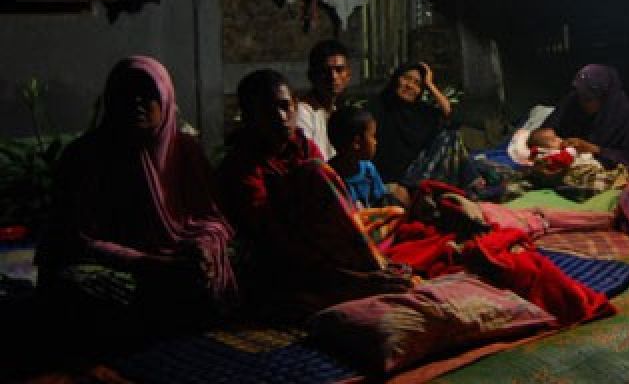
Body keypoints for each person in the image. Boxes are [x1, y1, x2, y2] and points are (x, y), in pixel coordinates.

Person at [36, 56, 237, 333]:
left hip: (176, 256)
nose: (137, 103)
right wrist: (152, 265)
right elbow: (78, 238)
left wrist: (203, 247)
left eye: (148, 94)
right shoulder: (85, 157)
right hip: (115, 264)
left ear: (165, 99)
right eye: (125, 94)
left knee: (235, 263)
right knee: (78, 286)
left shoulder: (185, 151)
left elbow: (212, 218)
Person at [218, 69, 410, 316]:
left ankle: (362, 270)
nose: (281, 116)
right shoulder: (242, 164)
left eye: (286, 106)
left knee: (394, 213)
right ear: (249, 117)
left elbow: (337, 205)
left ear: (295, 106)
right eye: (268, 110)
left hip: (324, 238)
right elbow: (268, 231)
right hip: (288, 251)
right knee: (315, 171)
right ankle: (364, 273)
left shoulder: (303, 146)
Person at [371, 61, 483, 197]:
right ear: (396, 79)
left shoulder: (422, 112)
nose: (410, 86)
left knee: (450, 136)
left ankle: (468, 185)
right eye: (406, 78)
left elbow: (450, 115)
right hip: (392, 176)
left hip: (419, 172)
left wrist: (430, 85)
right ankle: (472, 184)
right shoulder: (379, 107)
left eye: (417, 83)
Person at [532, 64, 629, 170]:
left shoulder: (623, 115)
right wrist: (555, 143)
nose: (581, 103)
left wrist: (595, 149)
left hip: (601, 166)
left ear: (604, 98)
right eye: (580, 96)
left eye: (588, 99)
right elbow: (544, 133)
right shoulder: (573, 100)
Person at [295, 38, 353, 160]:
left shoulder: (344, 110)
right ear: (311, 76)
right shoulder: (302, 113)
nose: (333, 77)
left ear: (348, 75)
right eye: (325, 71)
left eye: (339, 70)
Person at [327, 106, 393, 209]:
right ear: (357, 142)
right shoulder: (329, 176)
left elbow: (381, 202)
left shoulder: (368, 169)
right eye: (373, 136)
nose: (376, 142)